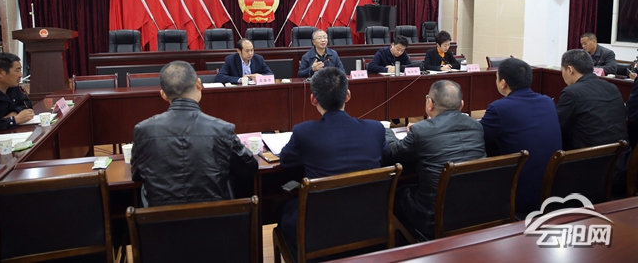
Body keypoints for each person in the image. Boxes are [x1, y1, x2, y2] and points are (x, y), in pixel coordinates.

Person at [278, 67, 388, 253]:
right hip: (370, 226)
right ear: (348, 95)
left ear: (313, 99)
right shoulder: (375, 129)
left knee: (282, 207)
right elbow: (386, 156)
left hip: (320, 235)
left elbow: (286, 161)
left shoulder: (304, 132)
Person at [131, 61, 258, 207]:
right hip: (215, 220)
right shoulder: (222, 129)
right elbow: (249, 168)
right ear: (199, 84)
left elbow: (136, 175)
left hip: (159, 220)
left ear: (163, 95)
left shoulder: (143, 130)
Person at [385, 80, 485, 238]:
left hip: (434, 218)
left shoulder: (421, 130)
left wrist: (388, 131)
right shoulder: (477, 127)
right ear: (461, 105)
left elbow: (393, 153)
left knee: (397, 192)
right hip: (477, 211)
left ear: (430, 104)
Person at [480, 58, 562, 214]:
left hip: (521, 192)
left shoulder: (499, 108)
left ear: (503, 83)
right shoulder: (547, 102)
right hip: (552, 188)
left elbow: (479, 137)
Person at [557, 49, 630, 191]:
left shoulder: (572, 93)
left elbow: (557, 126)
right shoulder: (612, 87)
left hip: (592, 170)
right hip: (621, 165)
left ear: (570, 70)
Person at [0, 53, 34, 130]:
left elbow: (27, 104)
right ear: (0, 72)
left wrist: (14, 113)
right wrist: (14, 120)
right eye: (17, 70)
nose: (21, 75)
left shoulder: (12, 86)